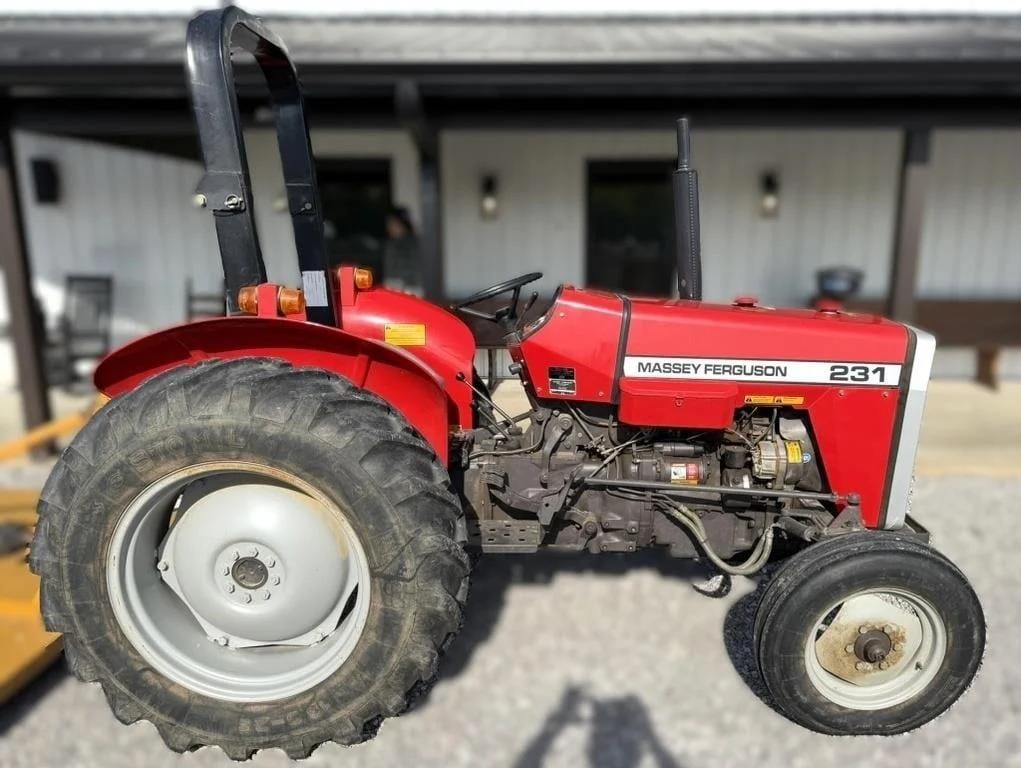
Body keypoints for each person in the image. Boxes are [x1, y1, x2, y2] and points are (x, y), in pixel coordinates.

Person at [382, 206, 423, 295]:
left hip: (413, 289)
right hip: (392, 289)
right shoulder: (390, 244)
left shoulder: (415, 244)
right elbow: (388, 271)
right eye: (389, 224)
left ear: (404, 224)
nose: (390, 227)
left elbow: (417, 271)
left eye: (394, 224)